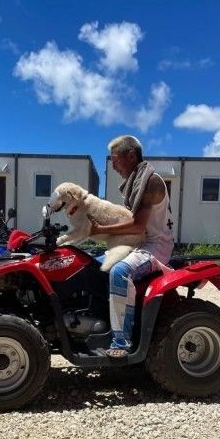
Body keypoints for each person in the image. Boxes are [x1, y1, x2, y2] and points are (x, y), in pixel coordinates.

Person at [88, 135, 174, 359]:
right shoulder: (135, 182)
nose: (113, 165)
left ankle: (122, 341)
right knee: (88, 263)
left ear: (131, 155)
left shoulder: (150, 182)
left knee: (119, 271)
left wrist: (98, 230)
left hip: (154, 246)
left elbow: (137, 226)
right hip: (138, 242)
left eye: (115, 159)